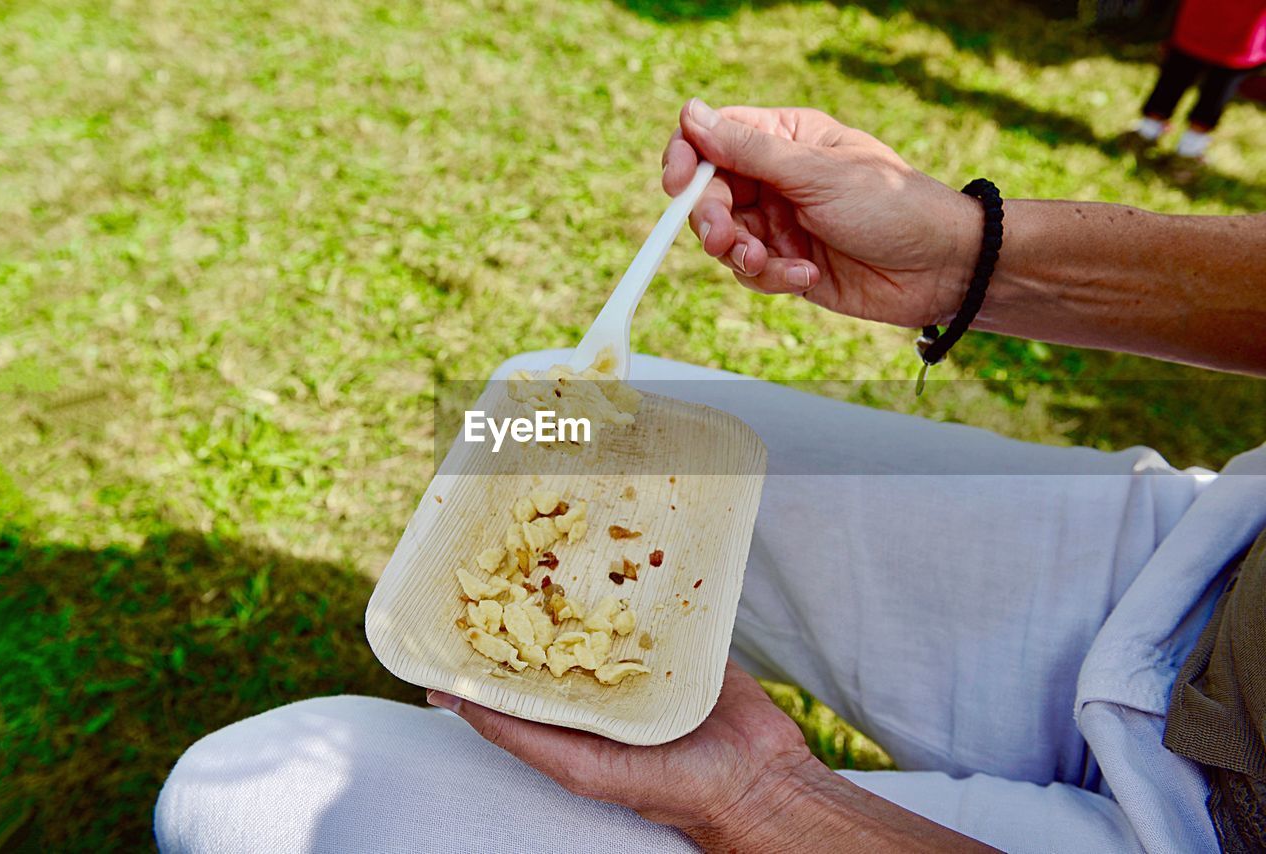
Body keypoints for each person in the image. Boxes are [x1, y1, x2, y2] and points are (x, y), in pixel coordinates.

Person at [154, 100, 1266, 852]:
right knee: (546, 409)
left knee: (250, 793)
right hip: (1211, 566)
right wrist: (963, 251)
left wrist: (769, 803)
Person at [1129, 0, 1266, 168]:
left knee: (1196, 89)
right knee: (1200, 91)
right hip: (1218, 33)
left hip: (1224, 34)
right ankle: (1174, 144)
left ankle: (1176, 145)